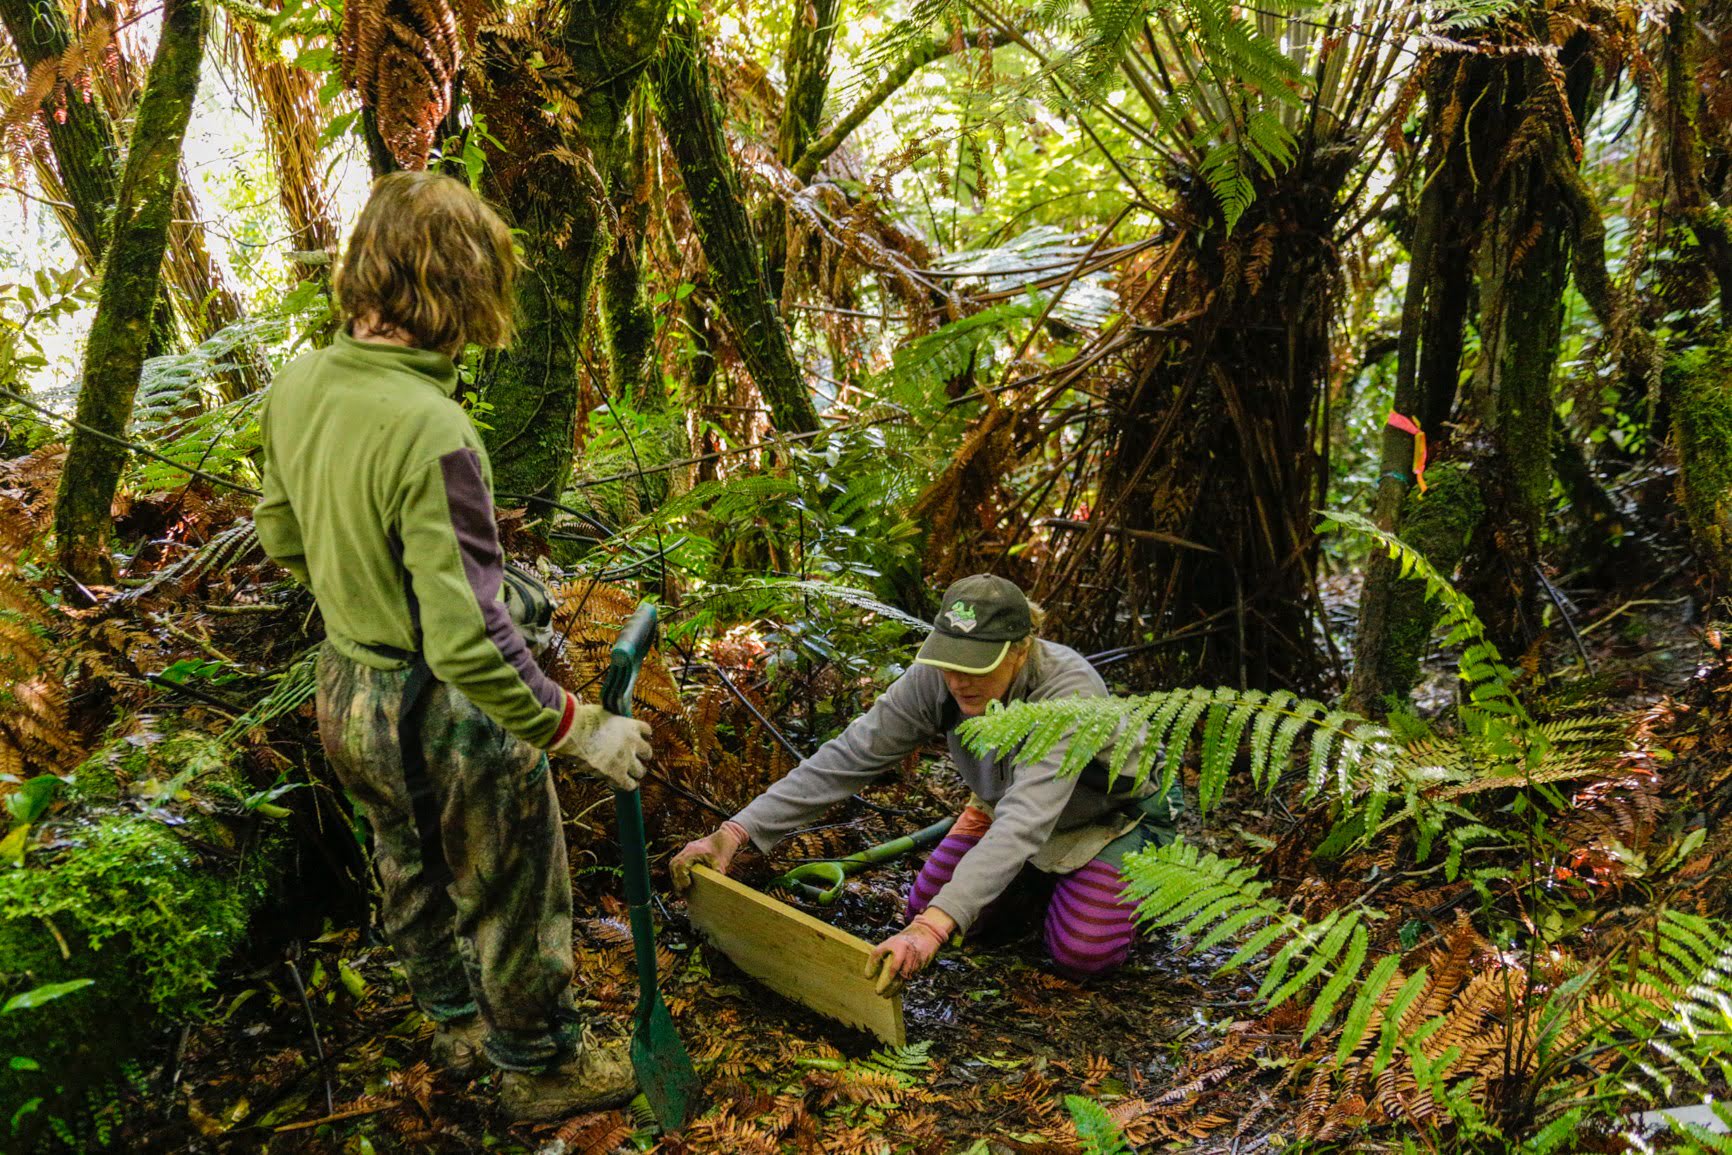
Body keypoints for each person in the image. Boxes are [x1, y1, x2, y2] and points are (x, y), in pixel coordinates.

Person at [254, 171, 652, 1121]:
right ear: (464, 287)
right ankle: (541, 1064)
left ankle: (453, 1020)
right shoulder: (435, 430)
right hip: (446, 707)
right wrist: (576, 726)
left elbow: (279, 534)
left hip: (346, 684)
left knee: (405, 856)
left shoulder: (300, 380)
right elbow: (472, 644)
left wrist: (362, 593)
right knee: (512, 882)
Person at [671, 574, 1178, 992]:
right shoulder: (937, 677)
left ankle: (1119, 886)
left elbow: (1026, 820)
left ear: (1021, 649)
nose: (959, 679)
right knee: (927, 903)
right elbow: (849, 757)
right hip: (1006, 811)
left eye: (978, 663)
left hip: (1110, 819)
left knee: (1082, 952)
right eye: (951, 659)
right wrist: (736, 832)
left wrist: (931, 931)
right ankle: (1032, 888)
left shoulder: (1070, 694)